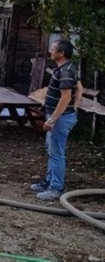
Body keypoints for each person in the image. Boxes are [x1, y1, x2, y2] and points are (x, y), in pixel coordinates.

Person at [29, 39, 83, 201]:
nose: (50, 51)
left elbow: (65, 98)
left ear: (61, 53)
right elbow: (79, 88)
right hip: (62, 116)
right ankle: (49, 181)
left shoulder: (65, 72)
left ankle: (55, 188)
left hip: (60, 119)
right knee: (52, 151)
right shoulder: (66, 68)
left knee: (57, 153)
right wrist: (76, 106)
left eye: (53, 49)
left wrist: (52, 119)